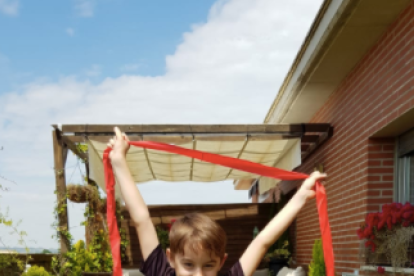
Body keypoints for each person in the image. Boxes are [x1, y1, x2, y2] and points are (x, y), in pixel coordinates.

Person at [107, 127, 327, 276]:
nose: (199, 275)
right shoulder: (161, 272)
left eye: (208, 266)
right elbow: (142, 219)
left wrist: (298, 198)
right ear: (171, 259)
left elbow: (261, 242)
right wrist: (118, 162)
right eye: (189, 265)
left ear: (222, 262)